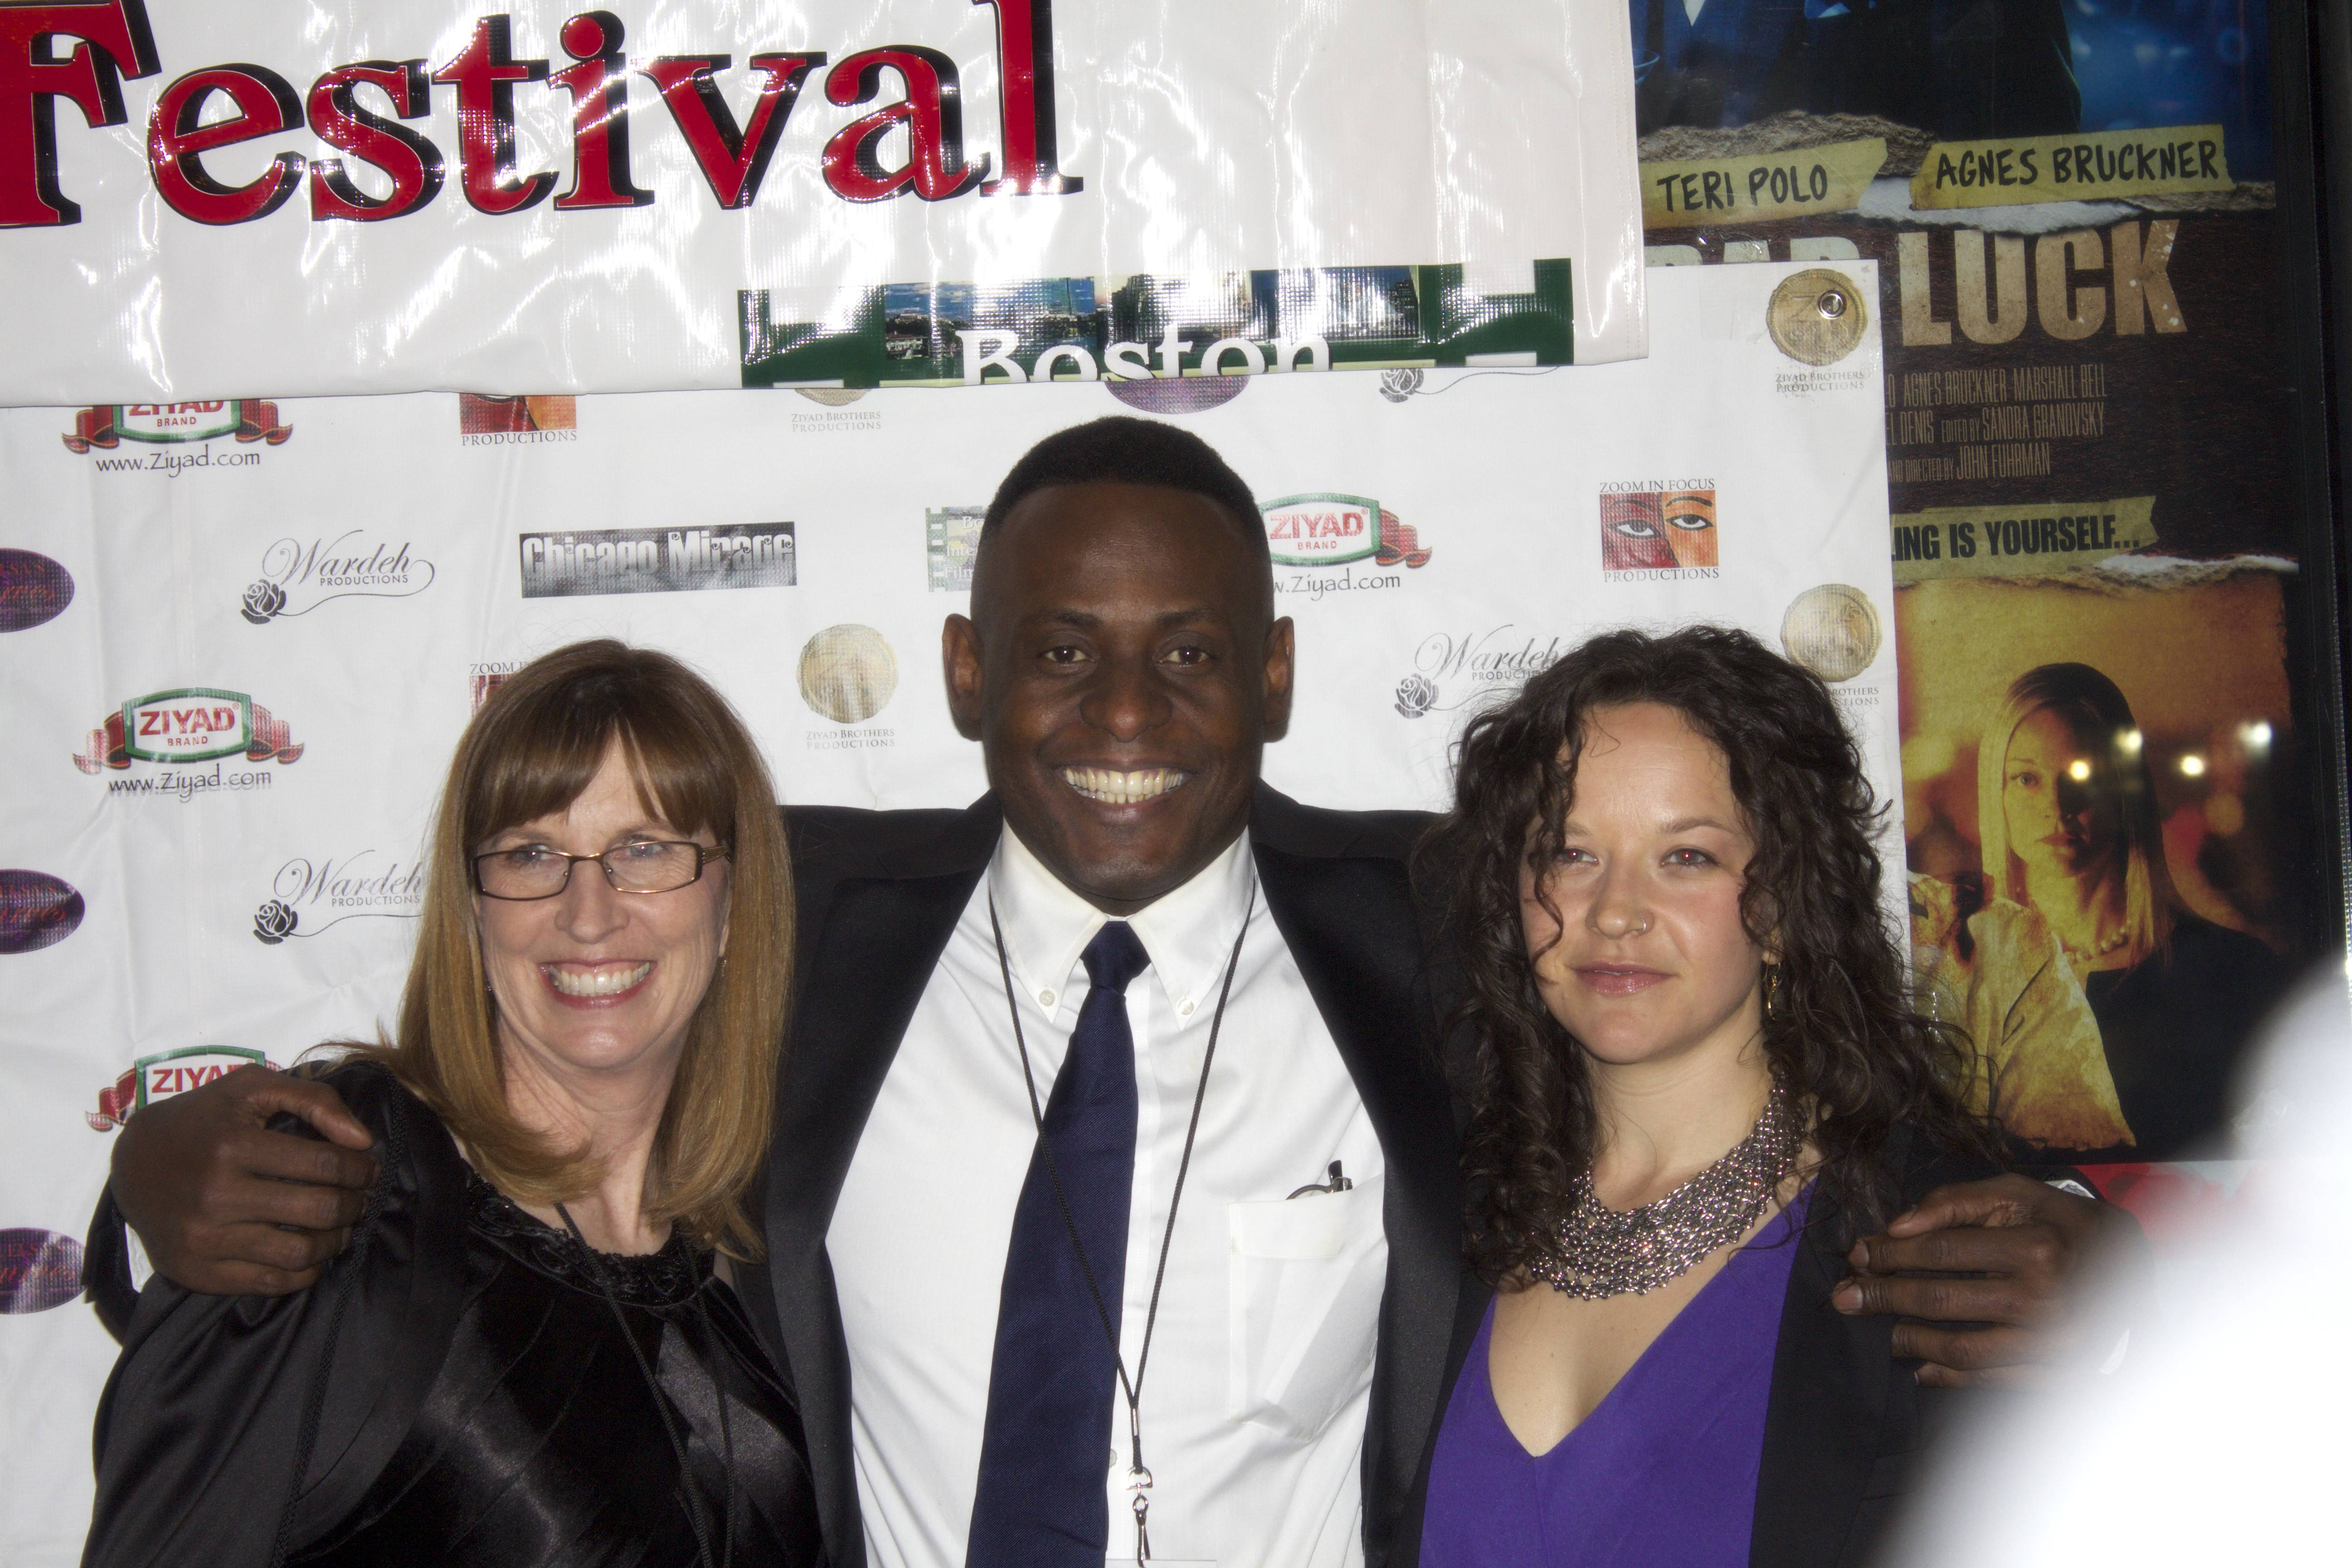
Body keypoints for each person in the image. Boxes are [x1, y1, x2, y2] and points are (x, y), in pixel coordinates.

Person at [99, 418, 2117, 1568]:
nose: (1128, 715)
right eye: (1063, 653)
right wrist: (173, 1173)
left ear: (1275, 675)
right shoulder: (788, 930)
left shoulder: (1450, 930)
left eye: (1188, 655)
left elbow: (1757, 1071)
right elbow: (530, 1043)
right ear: (969, 671)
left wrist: (2080, 1260)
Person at [80, 642, 823, 1568]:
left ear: (733, 897)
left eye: (645, 849)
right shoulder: (338, 1191)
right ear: (475, 910)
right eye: (529, 854)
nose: (588, 912)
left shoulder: (761, 1245)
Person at [1413, 627, 2055, 1566]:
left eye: (1688, 858)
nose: (1615, 911)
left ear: (1787, 905)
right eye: (1569, 852)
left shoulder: (1932, 1248)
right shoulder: (1445, 1212)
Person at [1977, 662, 2291, 1155]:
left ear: (2126, 788)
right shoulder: (1966, 981)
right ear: (1996, 794)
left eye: (2084, 775)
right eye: (2026, 779)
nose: (2057, 806)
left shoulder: (2237, 974)